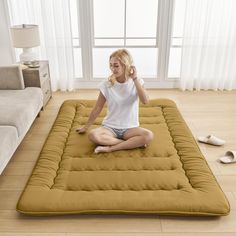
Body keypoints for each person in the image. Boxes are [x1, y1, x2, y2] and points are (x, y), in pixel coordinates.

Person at [76, 49, 154, 153]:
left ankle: (111, 148)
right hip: (110, 128)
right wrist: (86, 127)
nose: (113, 69)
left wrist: (135, 79)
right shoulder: (107, 84)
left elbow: (145, 101)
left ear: (125, 65)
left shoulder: (137, 81)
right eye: (111, 65)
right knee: (93, 135)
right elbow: (98, 108)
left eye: (116, 65)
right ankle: (130, 143)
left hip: (130, 128)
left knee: (149, 135)